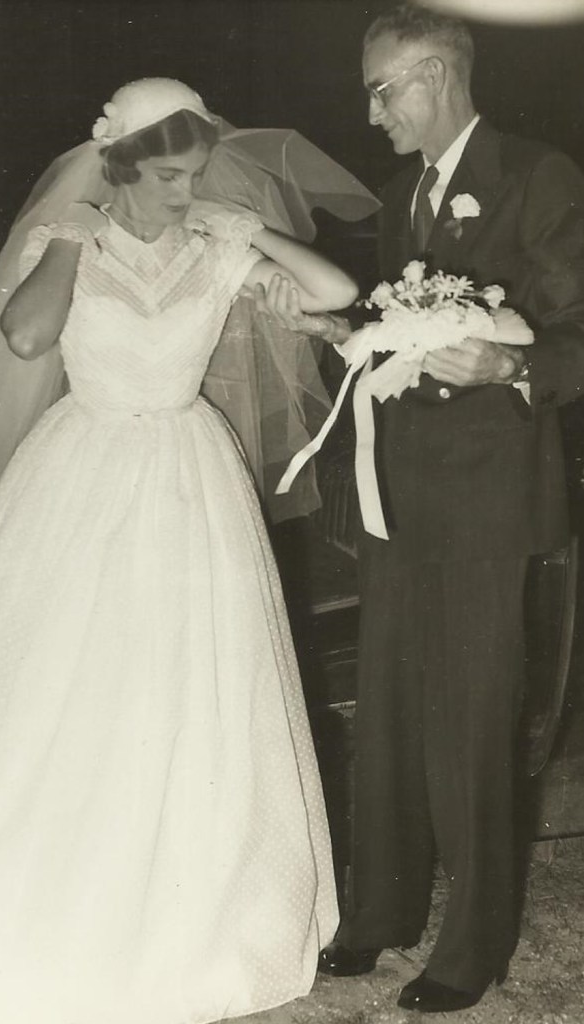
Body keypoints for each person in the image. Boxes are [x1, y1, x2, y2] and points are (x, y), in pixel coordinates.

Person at [0, 78, 369, 1024]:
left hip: (187, 472)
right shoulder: (73, 242)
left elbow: (335, 292)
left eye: (194, 173)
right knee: (65, 677)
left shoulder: (215, 248)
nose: (184, 191)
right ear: (120, 167)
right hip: (81, 467)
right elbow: (26, 335)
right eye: (168, 174)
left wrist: (248, 229)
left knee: (188, 680)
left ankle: (195, 907)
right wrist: (71, 237)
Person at [259, 3, 584, 1014]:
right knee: (392, 701)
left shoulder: (535, 177)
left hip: (487, 497)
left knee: (474, 714)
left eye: (382, 89)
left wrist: (509, 365)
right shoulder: (403, 194)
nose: (372, 114)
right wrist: (338, 330)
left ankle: (472, 945)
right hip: (396, 492)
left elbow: (575, 331)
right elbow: (394, 331)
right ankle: (382, 912)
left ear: (436, 74)